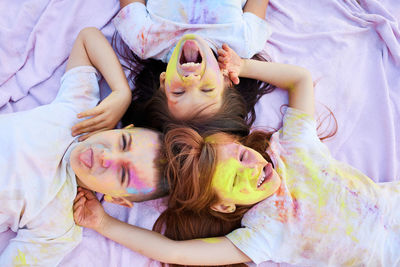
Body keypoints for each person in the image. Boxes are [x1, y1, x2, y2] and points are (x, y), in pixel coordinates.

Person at [73, 44, 400, 266]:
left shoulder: (291, 150)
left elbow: (300, 80)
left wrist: (245, 66)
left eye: (243, 158)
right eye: (234, 178)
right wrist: (103, 223)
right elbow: (174, 251)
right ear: (223, 205)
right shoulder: (263, 231)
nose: (253, 168)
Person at [0, 27, 168, 266]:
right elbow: (88, 39)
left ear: (117, 200)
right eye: (122, 143)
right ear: (123, 130)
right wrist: (121, 93)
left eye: (122, 173)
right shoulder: (81, 115)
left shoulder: (59, 226)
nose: (106, 157)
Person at [71, 0, 274, 139]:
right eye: (206, 90)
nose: (192, 80)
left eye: (179, 92)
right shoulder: (245, 42)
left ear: (163, 81)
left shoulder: (144, 40)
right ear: (227, 80)